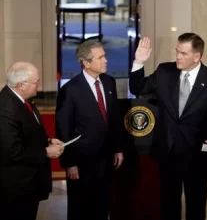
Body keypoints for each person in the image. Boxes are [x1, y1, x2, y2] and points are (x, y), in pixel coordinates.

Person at [129, 33, 207, 220]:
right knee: (168, 205)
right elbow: (138, 88)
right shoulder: (164, 71)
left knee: (196, 206)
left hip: (196, 154)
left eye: (183, 53)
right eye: (177, 51)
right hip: (167, 152)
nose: (178, 57)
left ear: (196, 56)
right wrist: (138, 62)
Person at [55, 41, 124, 220]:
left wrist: (117, 148)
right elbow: (63, 129)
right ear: (86, 63)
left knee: (102, 206)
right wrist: (69, 163)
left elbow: (114, 118)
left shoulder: (109, 82)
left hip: (105, 158)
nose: (106, 60)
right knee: (80, 209)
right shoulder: (69, 90)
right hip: (81, 162)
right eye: (100, 57)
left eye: (104, 56)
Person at [0, 62, 64, 220]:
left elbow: (27, 132)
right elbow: (12, 151)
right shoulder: (6, 108)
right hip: (16, 188)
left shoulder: (23, 99)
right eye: (36, 82)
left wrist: (48, 140)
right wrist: (46, 152)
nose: (39, 85)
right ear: (21, 85)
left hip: (29, 184)